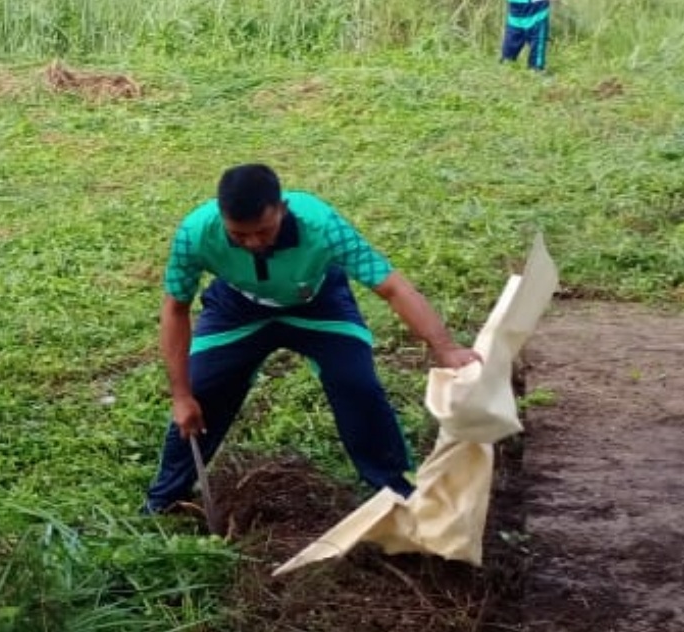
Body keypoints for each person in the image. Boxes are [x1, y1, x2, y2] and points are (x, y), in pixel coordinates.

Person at [141, 164, 480, 517]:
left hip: (317, 303)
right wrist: (181, 395)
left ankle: (399, 490)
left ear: (282, 209)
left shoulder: (321, 224)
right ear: (222, 217)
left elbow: (393, 286)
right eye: (240, 236)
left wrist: (445, 347)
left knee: (357, 386)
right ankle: (165, 500)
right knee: (202, 393)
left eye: (263, 231)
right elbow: (175, 310)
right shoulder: (195, 233)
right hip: (238, 308)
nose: (254, 243)